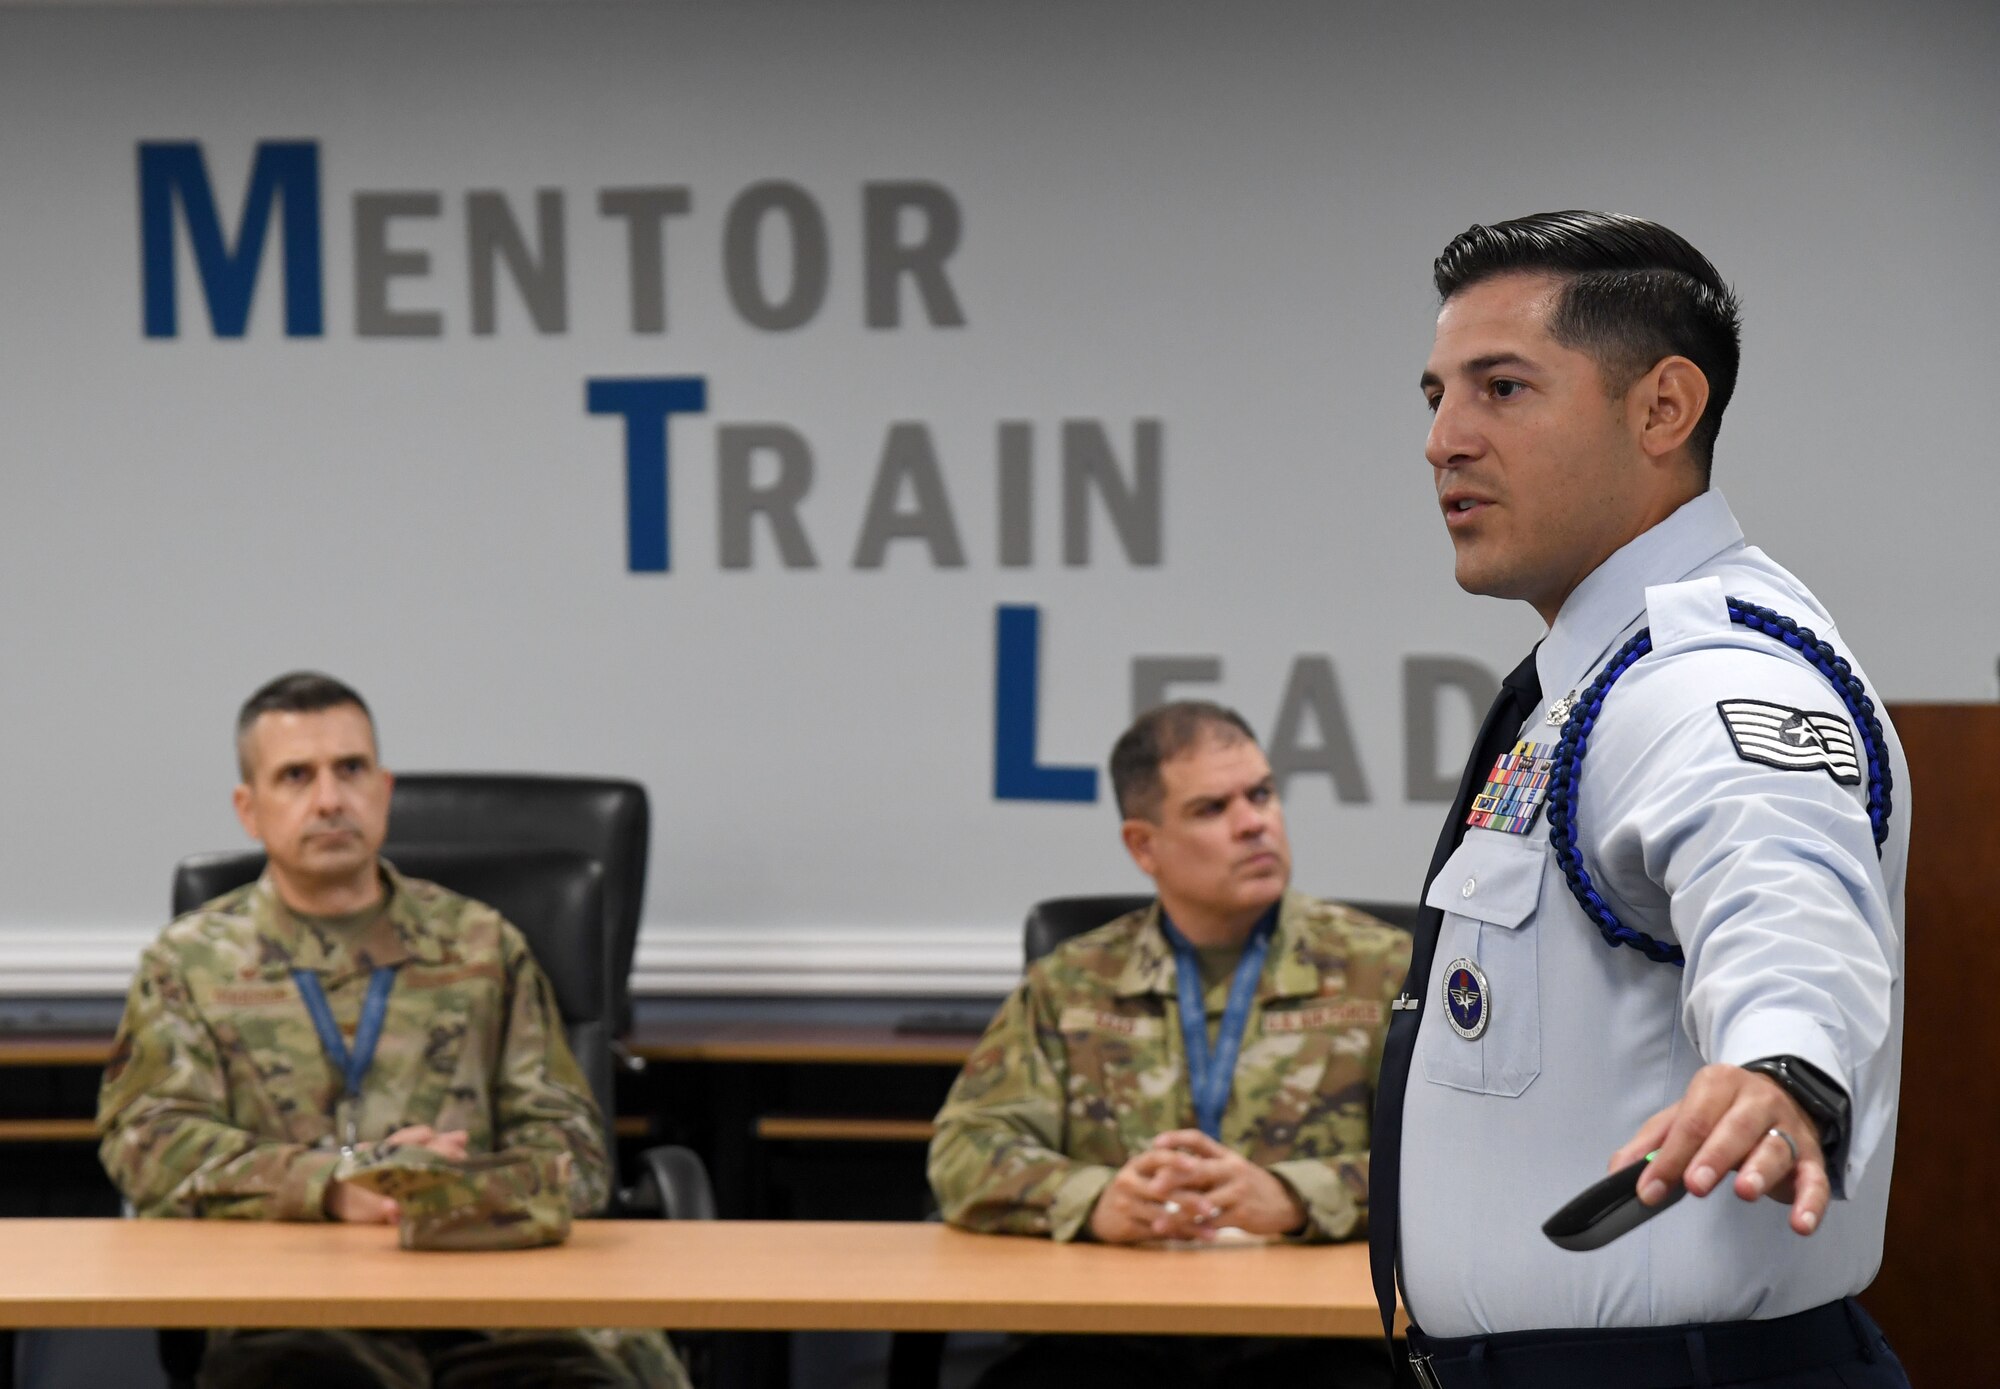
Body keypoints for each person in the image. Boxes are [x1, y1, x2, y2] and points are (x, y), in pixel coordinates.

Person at [1370, 211, 1910, 1388]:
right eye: (1433, 396)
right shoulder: (1604, 670)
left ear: (1662, 410)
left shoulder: (1704, 673)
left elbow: (1782, 887)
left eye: (1501, 389)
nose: (1442, 441)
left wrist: (1784, 1065)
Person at [97, 672, 687, 1389]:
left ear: (384, 788)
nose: (329, 798)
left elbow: (576, 1157)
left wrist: (439, 1186)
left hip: (497, 1311)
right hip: (295, 1317)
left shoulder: (481, 945)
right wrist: (335, 1181)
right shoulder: (188, 963)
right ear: (248, 809)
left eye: (351, 768)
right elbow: (148, 1144)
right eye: (296, 775)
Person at [930, 701, 1408, 1389]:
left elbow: (1452, 1159)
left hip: (1309, 1343)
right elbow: (964, 1146)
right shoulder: (1072, 982)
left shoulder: (1385, 968)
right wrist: (1092, 1199)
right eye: (1212, 808)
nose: (1254, 823)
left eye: (1262, 794)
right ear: (1143, 845)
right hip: (1114, 1338)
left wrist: (1296, 1195)